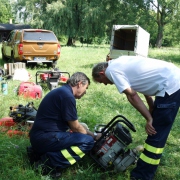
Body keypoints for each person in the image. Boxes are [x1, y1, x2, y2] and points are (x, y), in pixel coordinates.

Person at [92, 56, 180, 180]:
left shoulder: (111, 71)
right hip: (170, 79)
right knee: (155, 131)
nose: (106, 84)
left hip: (169, 86)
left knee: (156, 135)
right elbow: (142, 84)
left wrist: (149, 119)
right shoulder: (119, 62)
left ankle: (142, 176)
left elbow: (132, 95)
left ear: (102, 73)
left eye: (102, 81)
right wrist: (151, 106)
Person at [29, 72, 101, 177]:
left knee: (82, 130)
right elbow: (75, 127)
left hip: (39, 136)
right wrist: (94, 136)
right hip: (44, 138)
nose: (85, 92)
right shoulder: (67, 96)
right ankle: (47, 164)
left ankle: (38, 154)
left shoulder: (61, 92)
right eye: (86, 88)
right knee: (87, 142)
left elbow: (73, 124)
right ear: (80, 84)